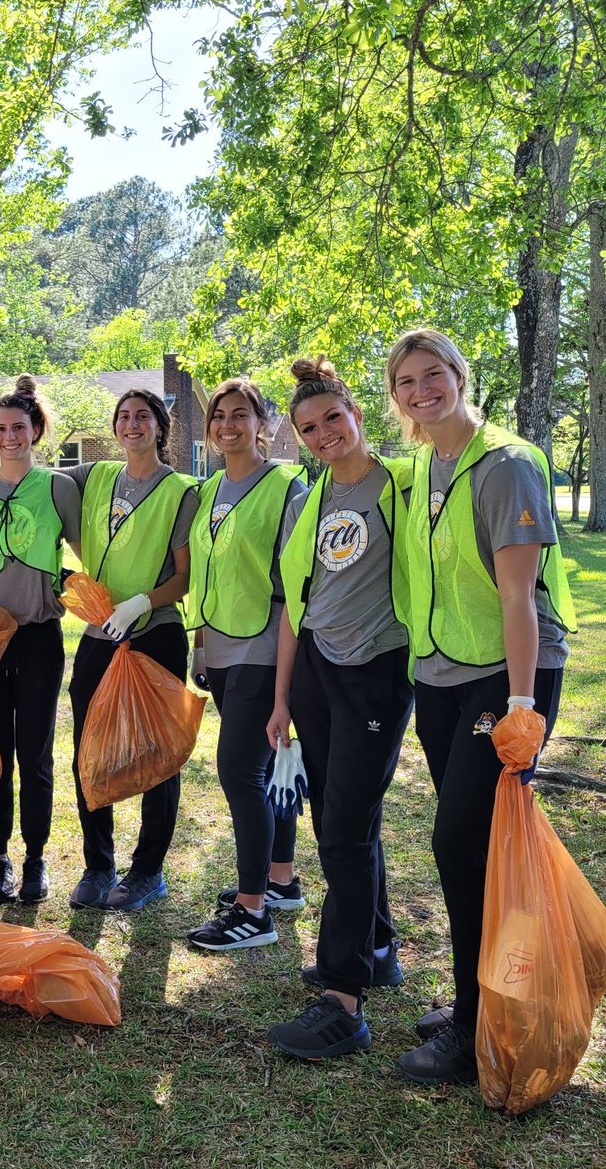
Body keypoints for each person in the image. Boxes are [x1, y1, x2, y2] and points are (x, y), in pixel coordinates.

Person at [385, 329, 576, 1084]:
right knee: (476, 852)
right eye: (406, 381)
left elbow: (518, 596)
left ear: (461, 376)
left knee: (459, 845)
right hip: (440, 677)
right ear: (395, 396)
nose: (422, 390)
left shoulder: (507, 464)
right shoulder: (426, 464)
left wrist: (523, 707)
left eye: (435, 375)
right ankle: (484, 997)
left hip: (504, 677)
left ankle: (477, 1030)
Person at [264, 356, 414, 1061]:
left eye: (332, 418)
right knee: (340, 818)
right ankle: (377, 946)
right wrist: (282, 697)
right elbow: (295, 606)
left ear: (356, 412)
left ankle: (344, 1001)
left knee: (346, 833)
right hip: (317, 674)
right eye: (309, 428)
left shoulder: (402, 488)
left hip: (377, 672)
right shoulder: (308, 497)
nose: (324, 434)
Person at [0, 376, 82, 904]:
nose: (9, 437)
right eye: (0, 429)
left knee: (36, 751)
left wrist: (87, 591)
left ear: (36, 431)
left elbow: (84, 551)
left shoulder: (57, 487)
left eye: (19, 428)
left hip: (40, 635)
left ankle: (36, 858)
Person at [183, 379, 308, 952]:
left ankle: (252, 911)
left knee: (239, 771)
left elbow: (297, 584)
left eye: (240, 415)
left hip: (265, 645)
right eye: (219, 415)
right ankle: (280, 881)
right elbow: (206, 576)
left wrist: (285, 681)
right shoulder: (210, 489)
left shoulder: (287, 487)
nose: (227, 424)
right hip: (223, 647)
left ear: (262, 423)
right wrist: (201, 646)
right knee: (264, 766)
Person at [63, 389, 198, 911]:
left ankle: (147, 871)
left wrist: (142, 601)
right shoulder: (94, 477)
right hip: (100, 635)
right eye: (123, 416)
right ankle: (99, 867)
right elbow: (34, 483)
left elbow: (184, 577)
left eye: (143, 416)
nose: (132, 424)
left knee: (157, 756)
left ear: (160, 427)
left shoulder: (180, 491)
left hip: (155, 635)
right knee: (89, 750)